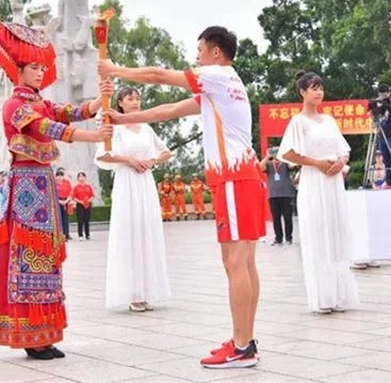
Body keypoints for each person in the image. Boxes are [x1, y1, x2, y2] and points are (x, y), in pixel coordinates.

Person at [98, 26, 264, 368]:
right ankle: (241, 339)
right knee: (242, 262)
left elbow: (158, 75)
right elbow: (169, 110)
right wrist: (124, 117)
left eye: (200, 49)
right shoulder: (221, 85)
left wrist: (115, 70)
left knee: (237, 262)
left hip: (234, 177)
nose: (196, 57)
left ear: (215, 52)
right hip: (238, 177)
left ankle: (243, 345)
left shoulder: (216, 75)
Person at [0, 20, 113, 360]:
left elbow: (71, 112)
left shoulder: (41, 100)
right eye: (33, 66)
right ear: (19, 70)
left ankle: (44, 335)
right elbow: (49, 127)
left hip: (43, 183)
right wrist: (94, 137)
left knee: (46, 259)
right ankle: (30, 336)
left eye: (41, 66)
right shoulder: (15, 106)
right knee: (29, 257)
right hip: (27, 185)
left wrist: (101, 101)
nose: (39, 71)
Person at [278, 71, 359, 314]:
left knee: (335, 234)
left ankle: (340, 295)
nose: (319, 92)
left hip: (333, 181)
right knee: (318, 235)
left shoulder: (329, 120)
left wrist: (339, 161)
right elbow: (289, 154)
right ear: (302, 92)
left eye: (321, 87)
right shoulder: (298, 122)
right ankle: (323, 298)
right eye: (313, 88)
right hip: (314, 181)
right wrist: (317, 163)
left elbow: (344, 149)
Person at [96, 86, 172, 312]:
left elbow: (165, 152)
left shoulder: (147, 128)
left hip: (145, 182)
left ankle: (147, 291)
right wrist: (129, 160)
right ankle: (132, 293)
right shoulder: (114, 128)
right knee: (129, 232)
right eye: (130, 99)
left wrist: (152, 161)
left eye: (138, 98)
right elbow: (102, 155)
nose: (135, 102)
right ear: (120, 103)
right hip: (126, 181)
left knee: (147, 232)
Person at [260, 147, 295, 246]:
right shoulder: (269, 165)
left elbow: (293, 165)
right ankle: (278, 238)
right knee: (276, 218)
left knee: (287, 217)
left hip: (286, 194)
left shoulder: (285, 164)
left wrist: (286, 156)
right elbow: (260, 167)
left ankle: (289, 238)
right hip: (273, 195)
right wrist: (267, 156)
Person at [71, 172, 95, 240]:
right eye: (80, 177)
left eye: (83, 176)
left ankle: (87, 234)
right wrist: (81, 201)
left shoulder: (88, 186)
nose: (81, 178)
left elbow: (92, 195)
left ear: (85, 178)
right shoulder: (76, 187)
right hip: (80, 205)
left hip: (87, 204)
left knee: (87, 220)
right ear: (78, 178)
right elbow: (74, 197)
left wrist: (88, 200)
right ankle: (80, 235)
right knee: (80, 220)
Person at [55, 169, 73, 241]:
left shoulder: (67, 182)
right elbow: (52, 194)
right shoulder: (54, 183)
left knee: (65, 219)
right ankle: (60, 235)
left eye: (61, 175)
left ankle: (66, 235)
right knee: (58, 219)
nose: (59, 177)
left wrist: (66, 201)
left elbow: (71, 192)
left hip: (66, 202)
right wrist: (59, 201)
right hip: (57, 202)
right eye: (58, 176)